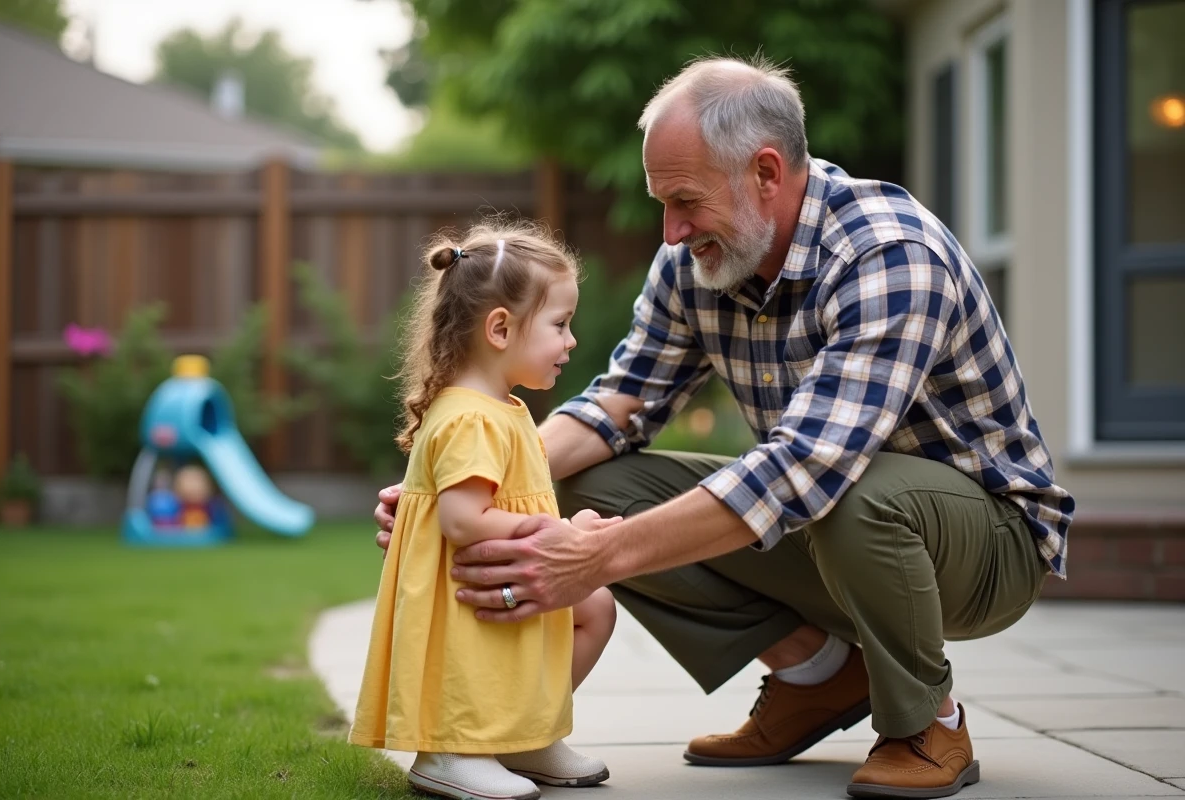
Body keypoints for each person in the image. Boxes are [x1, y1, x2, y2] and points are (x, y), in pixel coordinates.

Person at [375, 56, 1074, 800]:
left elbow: (806, 468)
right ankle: (820, 676)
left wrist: (598, 559)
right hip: (831, 521)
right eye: (661, 203)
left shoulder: (887, 255)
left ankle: (927, 724)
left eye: (684, 201)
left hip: (984, 546)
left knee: (854, 492)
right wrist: (451, 484)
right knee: (585, 480)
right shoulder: (697, 262)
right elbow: (622, 402)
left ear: (766, 173)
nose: (670, 232)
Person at [350, 220, 619, 800]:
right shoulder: (471, 416)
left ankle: (522, 733)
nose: (570, 340)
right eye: (560, 324)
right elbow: (463, 521)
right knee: (481, 650)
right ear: (500, 328)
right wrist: (557, 531)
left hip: (501, 567)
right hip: (466, 585)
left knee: (594, 606)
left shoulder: (503, 409)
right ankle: (448, 750)